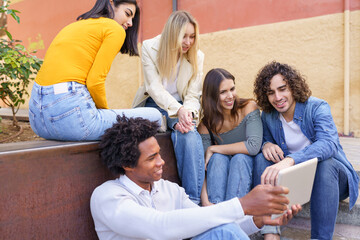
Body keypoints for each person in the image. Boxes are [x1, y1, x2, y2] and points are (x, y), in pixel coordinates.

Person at [90, 115, 302, 240]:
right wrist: (243, 204)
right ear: (127, 165)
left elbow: (207, 221)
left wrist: (257, 220)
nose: (161, 162)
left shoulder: (168, 189)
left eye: (159, 154)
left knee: (224, 231)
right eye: (152, 158)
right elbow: (159, 226)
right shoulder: (108, 197)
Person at [253, 61, 359, 240]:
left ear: (293, 87)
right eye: (271, 93)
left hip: (332, 181)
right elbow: (263, 140)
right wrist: (266, 145)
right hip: (298, 182)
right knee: (261, 159)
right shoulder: (269, 116)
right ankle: (270, 233)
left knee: (326, 164)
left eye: (282, 89)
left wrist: (290, 160)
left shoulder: (317, 107)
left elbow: (329, 143)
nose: (277, 97)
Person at [28, 0, 162, 141]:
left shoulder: (74, 26)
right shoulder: (114, 29)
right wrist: (104, 113)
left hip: (38, 121)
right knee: (155, 116)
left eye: (132, 19)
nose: (130, 23)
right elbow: (95, 81)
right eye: (127, 14)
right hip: (72, 119)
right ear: (110, 3)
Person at [132, 10, 205, 204]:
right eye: (184, 36)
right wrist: (178, 112)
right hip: (153, 105)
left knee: (188, 133)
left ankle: (193, 201)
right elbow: (154, 88)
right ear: (173, 33)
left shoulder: (197, 55)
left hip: (182, 106)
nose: (188, 42)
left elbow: (192, 95)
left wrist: (187, 115)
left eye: (192, 37)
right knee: (174, 120)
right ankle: (174, 122)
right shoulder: (149, 47)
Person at [197, 68, 262, 206]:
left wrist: (214, 148)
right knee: (217, 159)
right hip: (221, 178)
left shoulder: (249, 108)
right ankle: (216, 210)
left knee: (239, 158)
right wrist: (205, 201)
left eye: (232, 89)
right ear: (212, 96)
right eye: (223, 92)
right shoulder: (206, 125)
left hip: (247, 175)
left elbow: (253, 146)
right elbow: (202, 167)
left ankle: (234, 214)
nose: (230, 96)